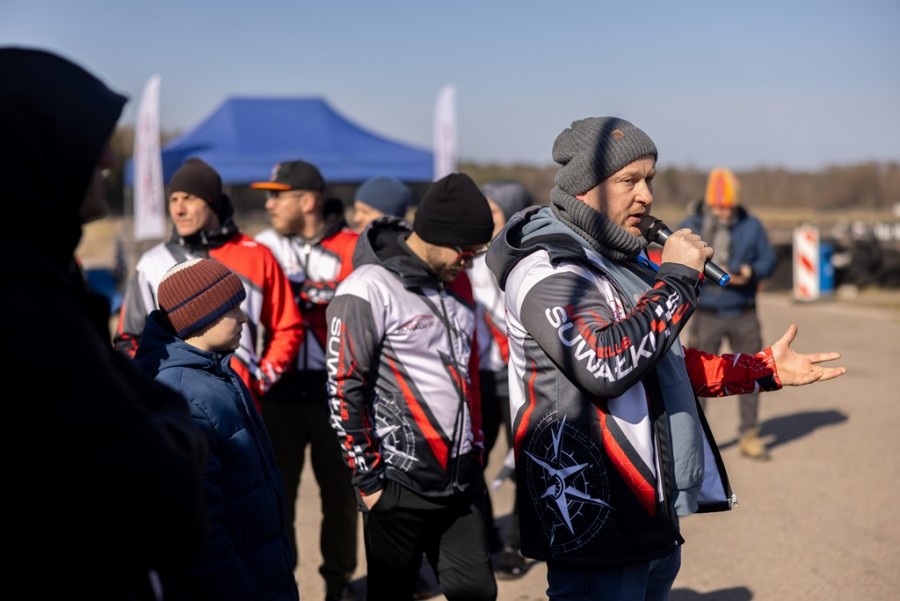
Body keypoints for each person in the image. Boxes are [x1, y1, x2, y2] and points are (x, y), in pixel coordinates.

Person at [484, 116, 846, 601]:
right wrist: (675, 279)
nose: (646, 196)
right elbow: (605, 365)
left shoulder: (618, 257)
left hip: (650, 504)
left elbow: (660, 358)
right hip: (595, 509)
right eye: (629, 180)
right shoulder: (547, 268)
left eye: (650, 179)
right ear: (584, 188)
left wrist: (760, 369)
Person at [2, 46, 209, 599]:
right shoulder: (26, 309)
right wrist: (175, 432)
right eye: (87, 143)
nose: (110, 162)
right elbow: (156, 493)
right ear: (38, 156)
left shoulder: (48, 280)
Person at [325, 172, 499, 601]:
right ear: (436, 235)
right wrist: (369, 482)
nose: (469, 263)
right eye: (465, 252)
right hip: (397, 483)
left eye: (477, 254)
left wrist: (476, 449)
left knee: (478, 593)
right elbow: (343, 387)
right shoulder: (367, 288)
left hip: (461, 482)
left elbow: (468, 374)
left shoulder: (459, 282)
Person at [133, 258, 299, 601]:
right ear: (200, 316)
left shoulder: (219, 371)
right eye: (232, 308)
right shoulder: (183, 394)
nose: (245, 318)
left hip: (262, 570)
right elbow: (202, 529)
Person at [250, 160, 360, 601]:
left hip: (338, 394)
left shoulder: (353, 245)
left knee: (341, 499)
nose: (269, 204)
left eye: (278, 195)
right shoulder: (263, 246)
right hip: (277, 395)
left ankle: (338, 585)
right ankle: (283, 585)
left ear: (309, 201)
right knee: (277, 497)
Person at [114, 157, 303, 405]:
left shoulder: (257, 255)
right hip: (173, 407)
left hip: (241, 404)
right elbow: (127, 339)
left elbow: (288, 327)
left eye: (188, 198)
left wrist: (260, 380)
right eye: (173, 200)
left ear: (212, 202)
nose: (178, 210)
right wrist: (150, 390)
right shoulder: (151, 263)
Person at [678, 167, 778, 460]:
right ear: (710, 202)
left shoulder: (752, 226)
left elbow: (769, 259)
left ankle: (749, 434)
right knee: (696, 378)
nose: (723, 212)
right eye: (718, 207)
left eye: (728, 207)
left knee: (754, 373)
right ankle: (694, 439)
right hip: (706, 314)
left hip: (744, 313)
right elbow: (675, 256)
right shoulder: (692, 225)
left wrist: (751, 271)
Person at [473, 181, 534, 579]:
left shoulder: (530, 258)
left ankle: (517, 544)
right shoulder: (468, 256)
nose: (484, 217)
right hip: (477, 375)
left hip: (519, 376)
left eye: (492, 210)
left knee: (526, 463)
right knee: (473, 461)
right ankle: (483, 538)